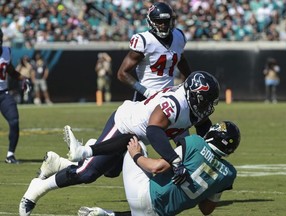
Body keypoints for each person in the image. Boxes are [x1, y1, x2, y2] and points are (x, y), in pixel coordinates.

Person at [19, 71, 220, 216]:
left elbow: (202, 128)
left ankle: (68, 158)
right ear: (193, 96)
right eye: (205, 101)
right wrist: (175, 161)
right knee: (86, 174)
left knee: (112, 171)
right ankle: (36, 189)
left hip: (136, 138)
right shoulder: (176, 103)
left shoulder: (194, 108)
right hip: (124, 125)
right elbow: (154, 130)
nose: (207, 107)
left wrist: (214, 150)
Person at [78, 120, 241, 216]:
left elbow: (156, 167)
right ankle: (106, 214)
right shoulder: (229, 174)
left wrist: (136, 155)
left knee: (134, 138)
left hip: (142, 193)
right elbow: (206, 209)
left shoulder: (196, 143)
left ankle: (94, 150)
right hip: (160, 213)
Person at [117, 2, 191, 102]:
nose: (163, 25)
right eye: (159, 21)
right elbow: (122, 73)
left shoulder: (178, 36)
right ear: (151, 21)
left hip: (169, 96)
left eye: (165, 21)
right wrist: (147, 92)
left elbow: (181, 60)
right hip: (145, 96)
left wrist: (190, 81)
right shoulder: (144, 41)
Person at [0, 29, 31, 164]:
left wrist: (23, 78)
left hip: (3, 94)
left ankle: (10, 155)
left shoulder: (6, 51)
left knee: (14, 121)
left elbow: (10, 70)